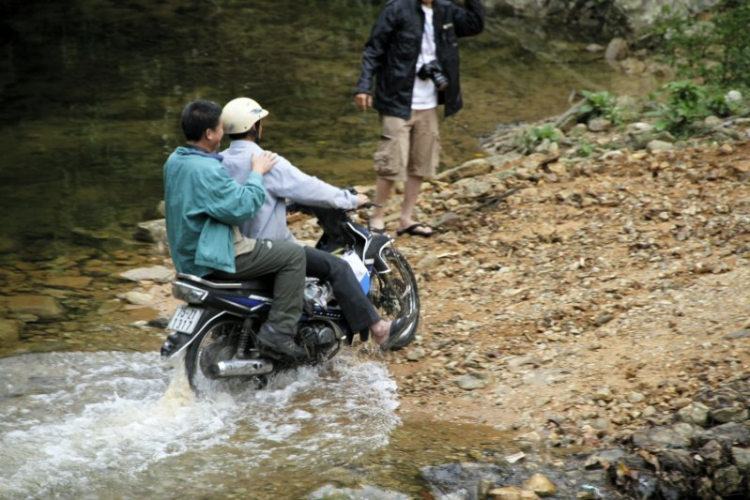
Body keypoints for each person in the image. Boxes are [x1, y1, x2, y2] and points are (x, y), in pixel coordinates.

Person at [220, 97, 416, 350]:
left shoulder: (219, 162)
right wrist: (349, 199)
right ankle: (379, 329)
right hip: (269, 252)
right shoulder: (265, 160)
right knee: (337, 268)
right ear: (256, 127)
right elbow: (311, 188)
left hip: (232, 251)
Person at [163, 99, 308, 358]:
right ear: (209, 134)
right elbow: (244, 207)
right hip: (213, 257)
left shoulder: (175, 161)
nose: (224, 134)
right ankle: (279, 332)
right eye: (220, 128)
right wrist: (257, 172)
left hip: (186, 258)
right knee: (294, 255)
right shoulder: (207, 169)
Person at [355, 0, 484, 237]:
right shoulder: (396, 9)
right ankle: (377, 216)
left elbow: (475, 24)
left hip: (430, 102)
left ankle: (406, 219)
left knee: (421, 163)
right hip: (397, 100)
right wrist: (364, 86)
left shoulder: (445, 10)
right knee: (391, 163)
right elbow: (373, 49)